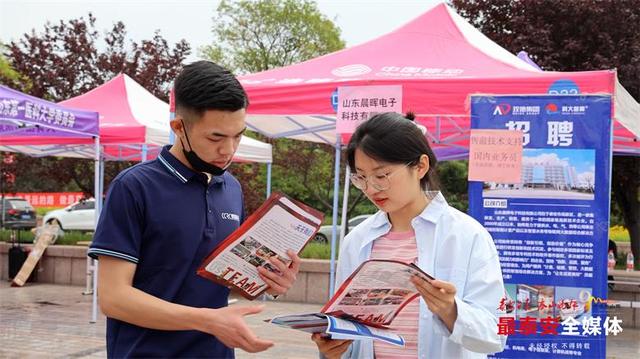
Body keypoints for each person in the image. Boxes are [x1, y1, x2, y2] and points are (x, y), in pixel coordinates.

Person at [89, 61, 301, 358]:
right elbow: (113, 298)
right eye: (216, 137)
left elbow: (216, 282)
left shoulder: (231, 189)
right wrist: (207, 320)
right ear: (178, 127)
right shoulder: (134, 187)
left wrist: (269, 282)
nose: (228, 150)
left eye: (237, 135)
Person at [312, 112, 506, 358]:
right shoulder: (357, 241)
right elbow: (346, 329)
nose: (371, 189)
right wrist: (331, 349)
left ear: (420, 166)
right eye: (361, 177)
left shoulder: (467, 236)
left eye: (381, 176)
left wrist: (451, 310)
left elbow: (497, 333)